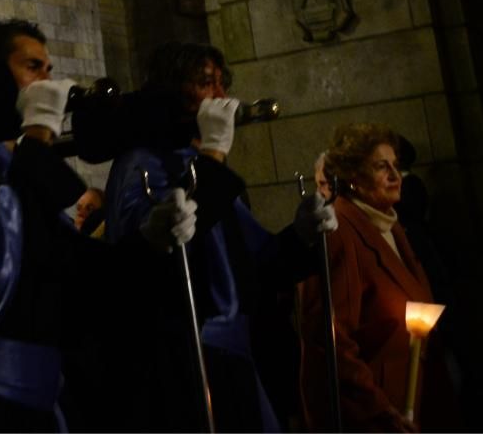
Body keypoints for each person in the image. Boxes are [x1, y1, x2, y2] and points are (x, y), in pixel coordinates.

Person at [0, 19, 197, 431]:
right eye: (33, 67)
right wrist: (38, 139)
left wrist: (147, 240)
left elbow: (71, 266)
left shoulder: (13, 157)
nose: (49, 81)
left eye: (49, 70)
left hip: (41, 394)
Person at [103, 41, 337, 432]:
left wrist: (301, 236)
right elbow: (156, 260)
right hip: (182, 358)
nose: (220, 97)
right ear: (173, 90)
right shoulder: (139, 163)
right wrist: (212, 156)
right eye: (204, 83)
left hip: (235, 357)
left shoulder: (200, 165)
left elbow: (259, 265)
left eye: (221, 84)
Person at [299, 123, 456, 432]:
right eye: (382, 167)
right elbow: (331, 340)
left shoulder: (390, 225)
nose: (395, 176)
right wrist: (379, 411)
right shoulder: (339, 230)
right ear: (354, 177)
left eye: (396, 166)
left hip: (412, 399)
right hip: (376, 414)